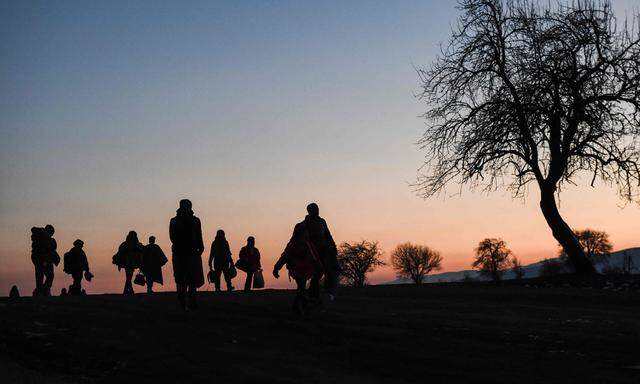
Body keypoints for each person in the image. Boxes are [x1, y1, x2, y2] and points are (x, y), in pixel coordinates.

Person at [273, 223, 323, 316]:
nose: (306, 233)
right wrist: (276, 268)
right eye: (304, 231)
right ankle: (301, 307)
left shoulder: (308, 243)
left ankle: (301, 307)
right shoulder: (294, 243)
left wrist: (319, 267)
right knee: (301, 288)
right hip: (296, 269)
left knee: (301, 289)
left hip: (305, 269)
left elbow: (315, 257)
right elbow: (285, 256)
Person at [170, 199, 205, 310]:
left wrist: (200, 247)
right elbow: (173, 237)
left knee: (189, 279)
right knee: (184, 279)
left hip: (187, 252)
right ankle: (186, 302)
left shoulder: (193, 220)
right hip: (184, 252)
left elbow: (199, 235)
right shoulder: (176, 221)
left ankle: (189, 302)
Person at [303, 203, 339, 302]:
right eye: (315, 209)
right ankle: (313, 293)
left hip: (325, 250)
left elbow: (328, 235)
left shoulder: (322, 221)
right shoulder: (305, 223)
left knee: (333, 270)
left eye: (317, 208)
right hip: (313, 252)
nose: (317, 211)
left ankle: (329, 293)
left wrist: (334, 247)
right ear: (310, 211)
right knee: (318, 272)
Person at [30, 224, 60, 296]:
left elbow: (52, 248)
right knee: (42, 276)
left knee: (46, 276)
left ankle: (42, 290)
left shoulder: (48, 239)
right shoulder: (41, 237)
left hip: (45, 259)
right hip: (41, 259)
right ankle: (41, 291)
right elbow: (33, 229)